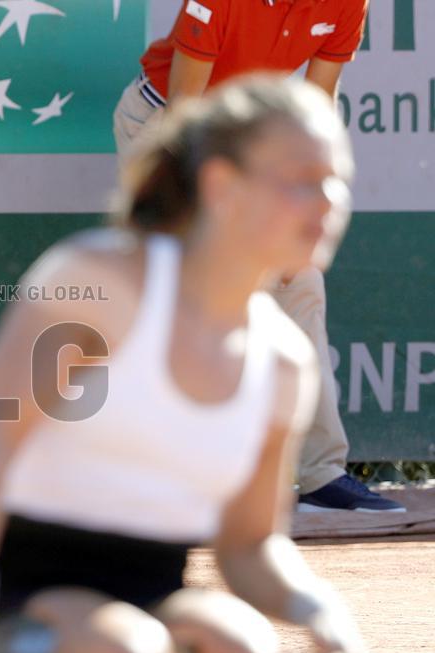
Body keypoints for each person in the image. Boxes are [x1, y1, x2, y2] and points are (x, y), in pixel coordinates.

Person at [0, 76, 368, 653]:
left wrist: (319, 612)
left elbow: (251, 544)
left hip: (158, 593)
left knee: (245, 652)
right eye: (300, 179)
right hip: (25, 590)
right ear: (221, 186)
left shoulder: (285, 362)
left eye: (335, 180)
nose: (326, 201)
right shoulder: (102, 283)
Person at [112, 0, 403, 513]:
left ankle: (320, 475)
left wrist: (296, 225)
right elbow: (185, 114)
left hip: (248, 141)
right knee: (191, 292)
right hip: (164, 126)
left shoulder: (350, 4)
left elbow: (316, 109)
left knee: (302, 283)